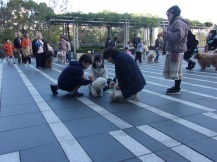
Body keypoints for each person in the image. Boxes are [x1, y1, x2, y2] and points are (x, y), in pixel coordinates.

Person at [161, 5, 188, 95]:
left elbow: (178, 36)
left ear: (174, 13)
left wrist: (167, 33)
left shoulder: (178, 22)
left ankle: (177, 88)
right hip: (175, 50)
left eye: (168, 14)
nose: (167, 16)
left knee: (177, 70)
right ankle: (177, 87)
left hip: (177, 50)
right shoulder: (176, 22)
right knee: (176, 70)